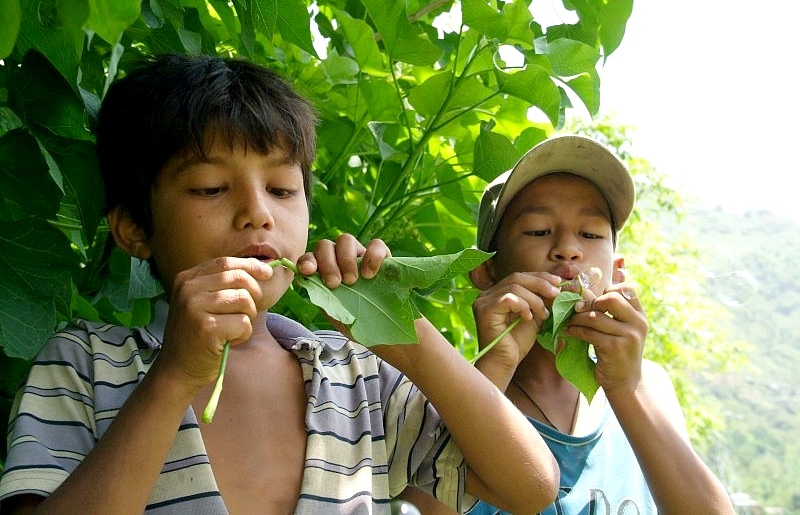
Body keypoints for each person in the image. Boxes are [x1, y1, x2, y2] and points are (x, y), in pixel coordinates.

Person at [0, 54, 559, 514]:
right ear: (134, 229)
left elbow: (530, 487)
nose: (256, 213)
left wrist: (402, 331)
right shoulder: (85, 365)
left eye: (283, 189)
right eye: (209, 188)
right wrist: (174, 378)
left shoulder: (356, 373)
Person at [462, 134, 735, 514]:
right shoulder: (452, 394)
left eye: (590, 234)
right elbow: (435, 491)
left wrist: (625, 385)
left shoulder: (648, 386)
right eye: (538, 231)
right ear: (487, 271)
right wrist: (496, 364)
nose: (568, 248)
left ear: (617, 272)